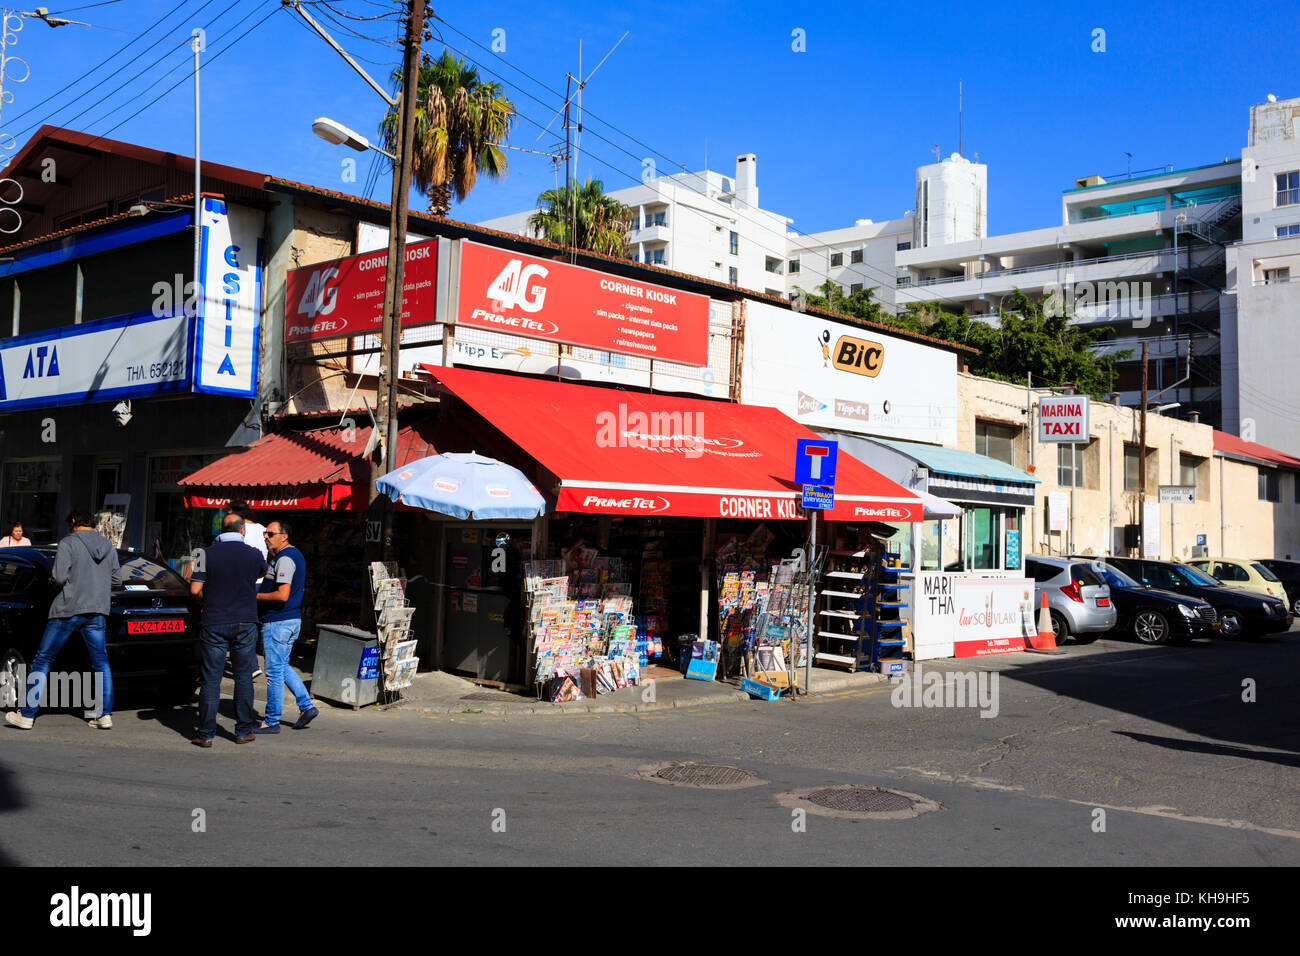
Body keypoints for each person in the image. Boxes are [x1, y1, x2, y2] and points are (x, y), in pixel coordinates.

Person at [6, 510, 119, 730]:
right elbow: (115, 579)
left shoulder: (68, 543)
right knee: (101, 662)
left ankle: (27, 715)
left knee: (43, 658)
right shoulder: (107, 546)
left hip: (68, 609)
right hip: (97, 610)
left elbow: (58, 577)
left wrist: (51, 586)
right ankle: (104, 715)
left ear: (74, 523)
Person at [189, 513, 267, 746]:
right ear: (242, 530)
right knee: (243, 677)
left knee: (211, 679)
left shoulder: (204, 554)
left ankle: (205, 734)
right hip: (246, 621)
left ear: (221, 531)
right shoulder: (254, 554)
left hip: (214, 621)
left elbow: (194, 590)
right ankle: (243, 731)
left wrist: (205, 597)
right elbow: (262, 572)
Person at [254, 520, 317, 732]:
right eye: (265, 533)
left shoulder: (287, 558)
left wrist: (255, 595)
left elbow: (282, 595)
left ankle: (271, 720)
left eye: (270, 534)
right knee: (281, 666)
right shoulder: (284, 557)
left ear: (284, 536)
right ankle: (306, 706)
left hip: (278, 621)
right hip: (286, 620)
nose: (265, 537)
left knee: (273, 672)